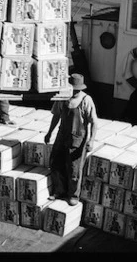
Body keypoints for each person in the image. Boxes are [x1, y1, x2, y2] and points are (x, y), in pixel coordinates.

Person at [45, 73, 98, 206]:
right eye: (73, 89)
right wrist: (49, 132)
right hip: (62, 135)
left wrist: (91, 140)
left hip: (78, 138)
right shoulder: (62, 98)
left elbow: (94, 122)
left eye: (77, 89)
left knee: (74, 169)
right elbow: (56, 116)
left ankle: (73, 195)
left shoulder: (86, 100)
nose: (75, 91)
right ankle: (59, 191)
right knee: (56, 162)